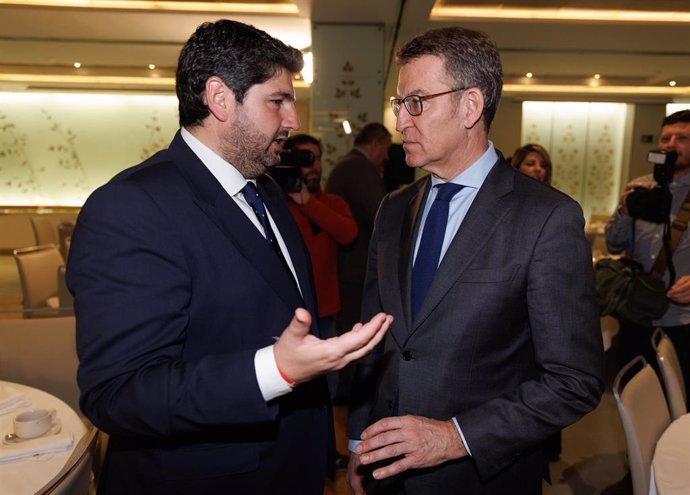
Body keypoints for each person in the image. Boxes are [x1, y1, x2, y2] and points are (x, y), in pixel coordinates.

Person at [66, 20, 392, 495]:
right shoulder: (130, 207)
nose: (293, 120)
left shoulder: (265, 188)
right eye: (277, 101)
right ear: (220, 99)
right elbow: (119, 393)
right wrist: (274, 370)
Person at [346, 26, 604, 495]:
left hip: (481, 478)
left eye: (417, 102)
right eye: (399, 104)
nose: (401, 121)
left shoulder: (546, 218)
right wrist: (358, 442)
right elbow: (375, 338)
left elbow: (574, 381)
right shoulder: (393, 208)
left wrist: (455, 437)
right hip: (385, 471)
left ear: (470, 106)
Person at [281, 133, 358, 469]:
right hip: (286, 318)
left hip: (325, 312)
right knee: (291, 393)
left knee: (327, 389)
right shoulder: (273, 203)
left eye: (316, 157)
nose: (312, 165)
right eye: (303, 157)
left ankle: (326, 453)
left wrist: (307, 202)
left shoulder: (332, 203)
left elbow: (348, 233)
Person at [605, 109, 690, 397]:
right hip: (637, 315)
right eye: (666, 137)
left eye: (682, 138)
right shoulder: (640, 188)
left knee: (680, 399)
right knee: (637, 396)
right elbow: (614, 244)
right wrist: (626, 209)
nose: (671, 144)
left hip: (682, 320)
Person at [326, 122, 391, 402]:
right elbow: (382, 214)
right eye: (386, 150)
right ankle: (346, 398)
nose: (386, 157)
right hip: (353, 268)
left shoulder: (346, 166)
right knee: (352, 333)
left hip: (346, 266)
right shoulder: (358, 169)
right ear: (375, 144)